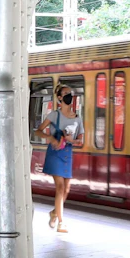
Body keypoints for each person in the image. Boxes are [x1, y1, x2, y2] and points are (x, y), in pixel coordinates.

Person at [39, 86, 81, 233]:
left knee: (67, 189)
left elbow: (81, 140)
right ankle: (61, 222)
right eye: (65, 94)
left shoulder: (77, 118)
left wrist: (73, 140)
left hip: (68, 153)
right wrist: (50, 137)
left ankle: (54, 213)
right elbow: (38, 130)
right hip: (55, 153)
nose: (69, 95)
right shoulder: (53, 115)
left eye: (70, 93)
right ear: (60, 98)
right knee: (60, 187)